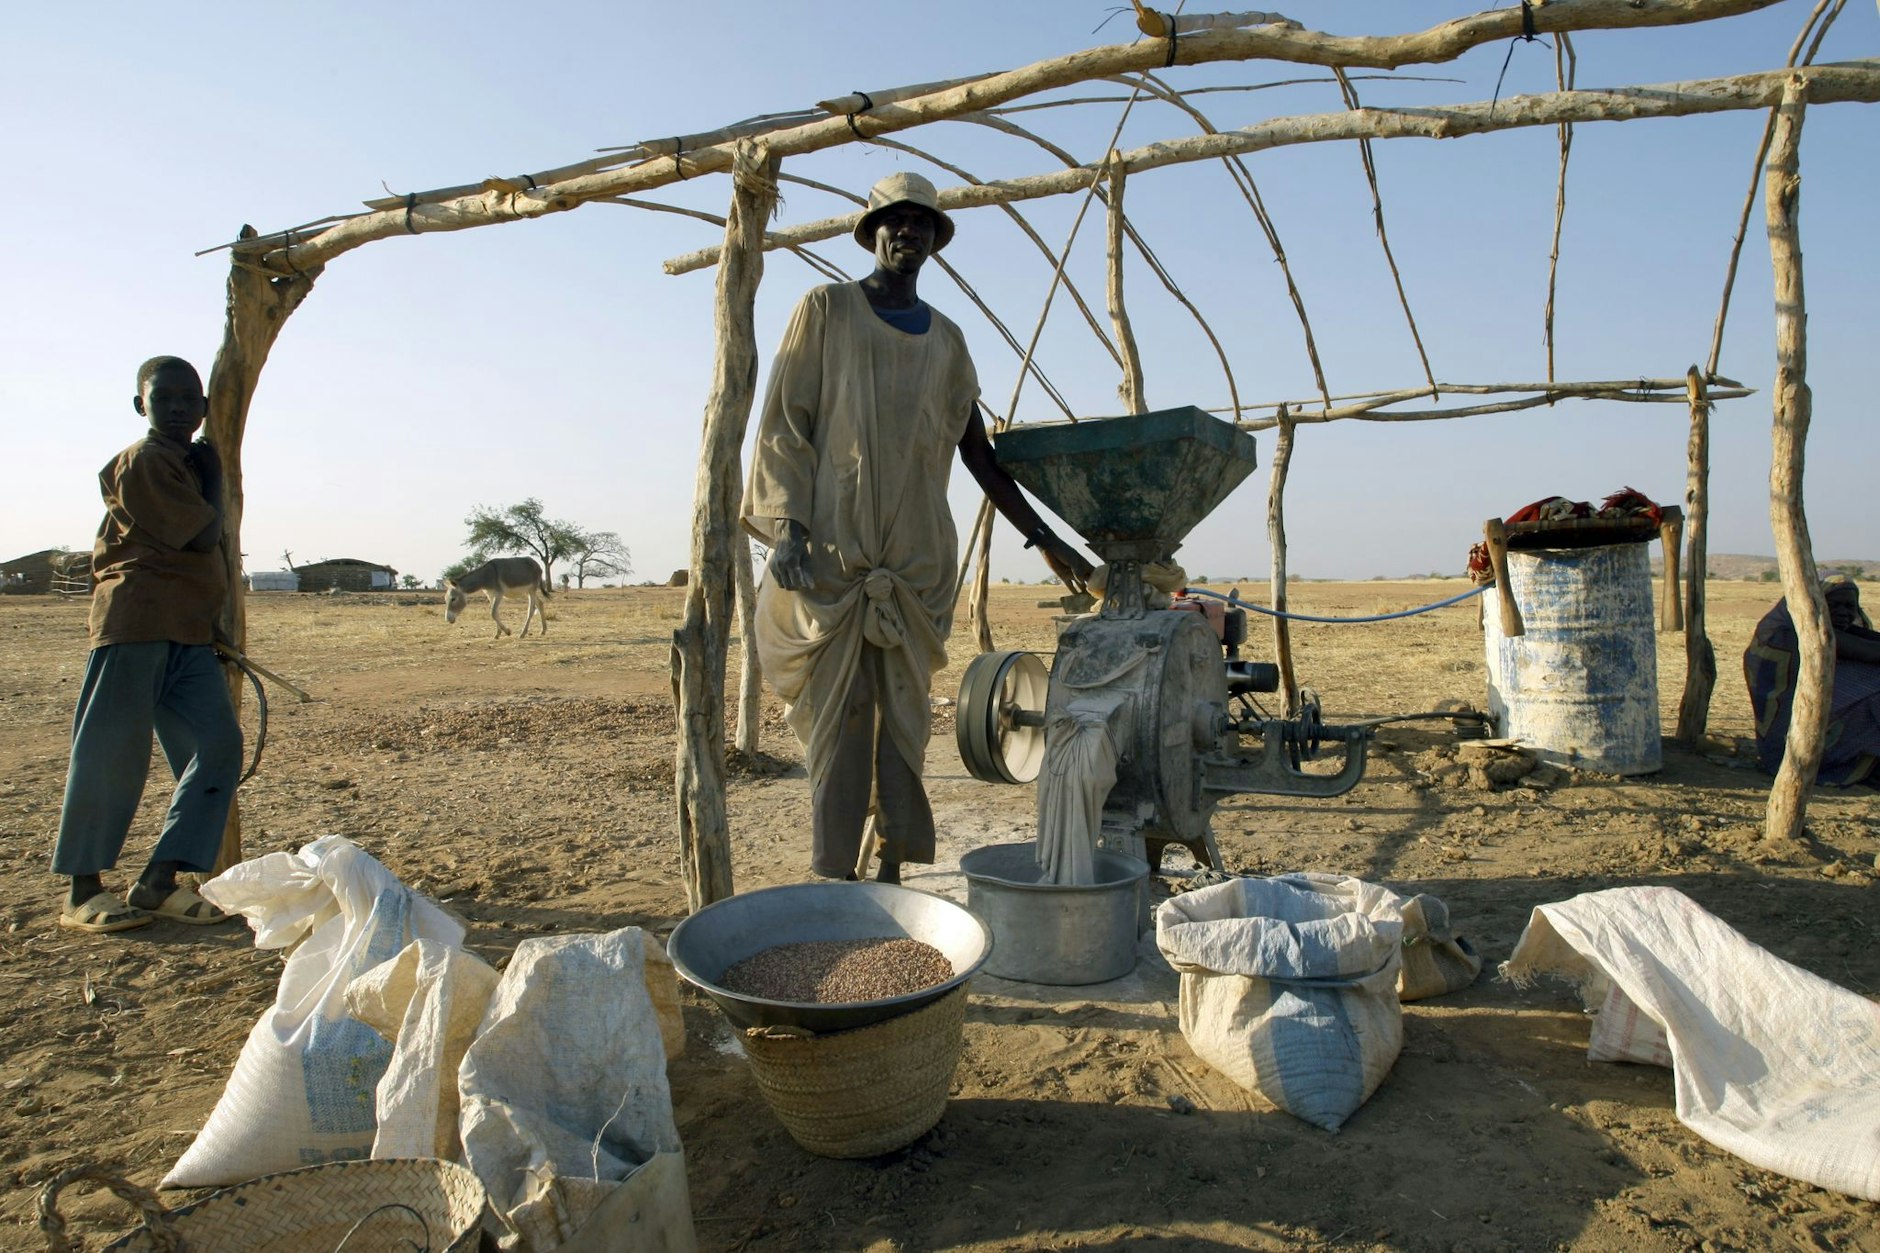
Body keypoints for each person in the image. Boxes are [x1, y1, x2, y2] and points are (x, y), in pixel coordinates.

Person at [741, 171, 1094, 884]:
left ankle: (895, 866)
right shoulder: (827, 310)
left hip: (914, 566)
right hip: (836, 561)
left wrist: (1049, 540)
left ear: (935, 239)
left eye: (921, 223)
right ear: (873, 232)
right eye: (895, 221)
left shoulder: (950, 344)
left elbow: (980, 458)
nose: (908, 232)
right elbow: (786, 424)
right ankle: (834, 873)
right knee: (844, 718)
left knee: (903, 717)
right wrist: (788, 525)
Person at [51, 356, 239, 932]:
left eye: (189, 398)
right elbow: (204, 532)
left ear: (206, 407)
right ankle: (83, 892)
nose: (178, 408)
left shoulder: (181, 459)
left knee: (219, 747)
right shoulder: (146, 463)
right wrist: (214, 476)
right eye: (165, 399)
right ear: (142, 406)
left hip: (188, 633)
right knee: (111, 756)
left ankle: (159, 883)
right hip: (135, 625)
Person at [1744, 574, 1880, 787]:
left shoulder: (1823, 624)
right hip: (1793, 747)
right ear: (1814, 604)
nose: (1844, 613)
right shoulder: (1796, 630)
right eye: (1834, 605)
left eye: (1849, 606)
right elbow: (1868, 651)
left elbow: (1865, 639)